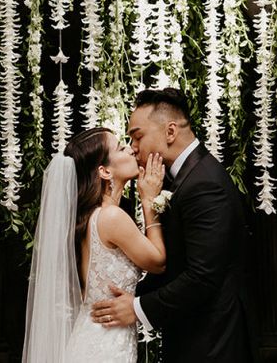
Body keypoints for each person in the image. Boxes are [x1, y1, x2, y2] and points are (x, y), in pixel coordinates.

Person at [90, 87, 258, 362]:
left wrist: (137, 307)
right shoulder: (181, 178)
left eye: (137, 136)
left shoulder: (204, 184)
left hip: (213, 343)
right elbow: (175, 264)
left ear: (170, 132)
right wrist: (129, 295)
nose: (133, 147)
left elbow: (202, 277)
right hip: (193, 336)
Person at [22, 127, 166, 363]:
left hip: (94, 338)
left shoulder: (92, 217)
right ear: (104, 170)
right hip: (105, 349)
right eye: (121, 147)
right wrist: (149, 201)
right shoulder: (111, 217)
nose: (131, 148)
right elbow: (158, 262)